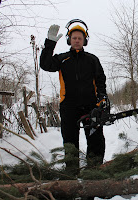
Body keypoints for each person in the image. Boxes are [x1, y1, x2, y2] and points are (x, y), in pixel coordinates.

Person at [40, 19, 107, 175]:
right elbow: (45, 64)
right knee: (70, 142)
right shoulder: (62, 59)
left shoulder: (92, 60)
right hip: (68, 107)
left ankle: (94, 171)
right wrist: (49, 44)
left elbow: (100, 80)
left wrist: (102, 98)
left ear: (85, 41)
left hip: (91, 108)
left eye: (80, 38)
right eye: (74, 38)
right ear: (69, 40)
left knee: (96, 140)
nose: (77, 40)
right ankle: (71, 173)